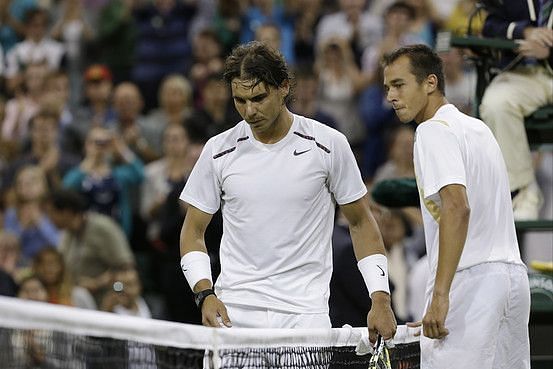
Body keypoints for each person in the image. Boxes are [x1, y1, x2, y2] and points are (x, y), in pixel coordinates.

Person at [179, 41, 396, 341]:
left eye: (258, 98)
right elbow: (193, 230)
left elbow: (360, 223)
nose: (249, 111)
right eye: (239, 100)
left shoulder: (328, 144)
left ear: (283, 87)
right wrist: (204, 293)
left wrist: (380, 298)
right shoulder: (218, 150)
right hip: (233, 315)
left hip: (304, 316)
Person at [382, 44, 530, 369]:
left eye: (399, 85)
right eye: (387, 87)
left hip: (470, 281)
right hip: (513, 282)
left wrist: (440, 296)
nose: (391, 96)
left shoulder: (433, 130)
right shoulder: (479, 128)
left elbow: (457, 207)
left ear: (430, 83)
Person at [479, 0, 553, 220]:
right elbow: (489, 27)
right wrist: (525, 31)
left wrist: (549, 51)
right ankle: (524, 193)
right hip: (524, 74)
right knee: (496, 104)